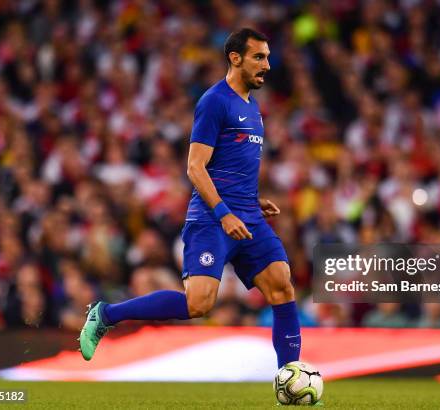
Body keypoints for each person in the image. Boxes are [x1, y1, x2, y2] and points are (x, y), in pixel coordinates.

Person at [79, 28, 301, 370]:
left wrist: (252, 202)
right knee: (199, 303)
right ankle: (106, 314)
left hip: (247, 215)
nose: (267, 65)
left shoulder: (252, 107)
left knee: (282, 286)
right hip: (213, 218)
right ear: (235, 58)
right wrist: (225, 212)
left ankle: (290, 376)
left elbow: (230, 167)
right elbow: (195, 168)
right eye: (259, 57)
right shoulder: (215, 101)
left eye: (268, 57)